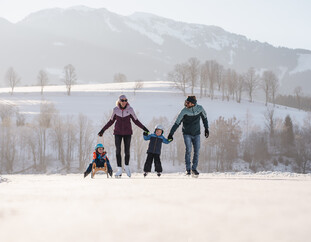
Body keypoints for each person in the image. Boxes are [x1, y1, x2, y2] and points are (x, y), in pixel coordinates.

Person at [98, 95, 149, 178]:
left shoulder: (130, 110)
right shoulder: (115, 110)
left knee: (127, 150)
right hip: (117, 133)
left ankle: (126, 166)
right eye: (122, 100)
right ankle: (119, 169)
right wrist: (102, 130)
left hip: (127, 133)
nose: (124, 102)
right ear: (119, 101)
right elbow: (110, 122)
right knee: (118, 150)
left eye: (125, 100)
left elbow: (136, 121)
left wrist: (144, 128)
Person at [168, 96, 209, 177]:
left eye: (188, 102)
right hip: (187, 133)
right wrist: (171, 134)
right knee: (189, 150)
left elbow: (204, 118)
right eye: (186, 102)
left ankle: (194, 169)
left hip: (197, 133)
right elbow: (177, 123)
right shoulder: (184, 111)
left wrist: (206, 129)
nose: (186, 104)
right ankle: (188, 170)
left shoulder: (200, 109)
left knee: (197, 151)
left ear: (192, 103)